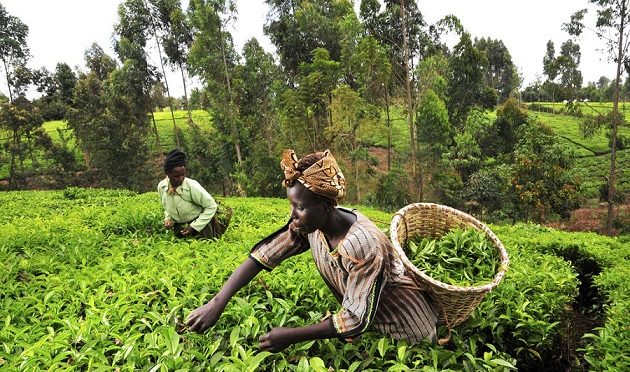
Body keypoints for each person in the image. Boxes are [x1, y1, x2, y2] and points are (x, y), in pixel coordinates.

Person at [185, 149, 437, 352]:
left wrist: (292, 335)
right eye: (291, 205)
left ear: (326, 205)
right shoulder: (312, 227)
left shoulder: (363, 245)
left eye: (300, 207)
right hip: (372, 327)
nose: (293, 216)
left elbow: (355, 319)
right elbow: (266, 253)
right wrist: (217, 302)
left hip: (408, 331)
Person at [158, 149, 231, 239]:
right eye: (177, 176)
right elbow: (167, 207)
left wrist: (194, 226)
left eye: (183, 175)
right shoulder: (162, 187)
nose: (181, 178)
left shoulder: (192, 186)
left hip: (201, 228)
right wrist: (168, 219)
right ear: (168, 173)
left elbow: (211, 206)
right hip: (180, 228)